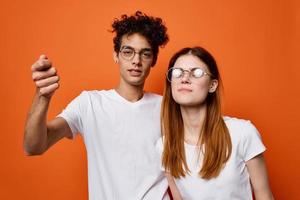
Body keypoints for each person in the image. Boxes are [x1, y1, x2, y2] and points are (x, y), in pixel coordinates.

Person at [24, 11, 170, 200]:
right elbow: (33, 146)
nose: (136, 60)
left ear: (153, 60)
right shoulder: (89, 104)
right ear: (116, 56)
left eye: (145, 54)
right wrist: (42, 96)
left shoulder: (167, 107)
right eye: (128, 52)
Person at [156, 47, 274, 200]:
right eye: (178, 72)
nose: (184, 78)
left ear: (212, 85)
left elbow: (264, 195)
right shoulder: (165, 146)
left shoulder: (242, 133)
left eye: (196, 73)